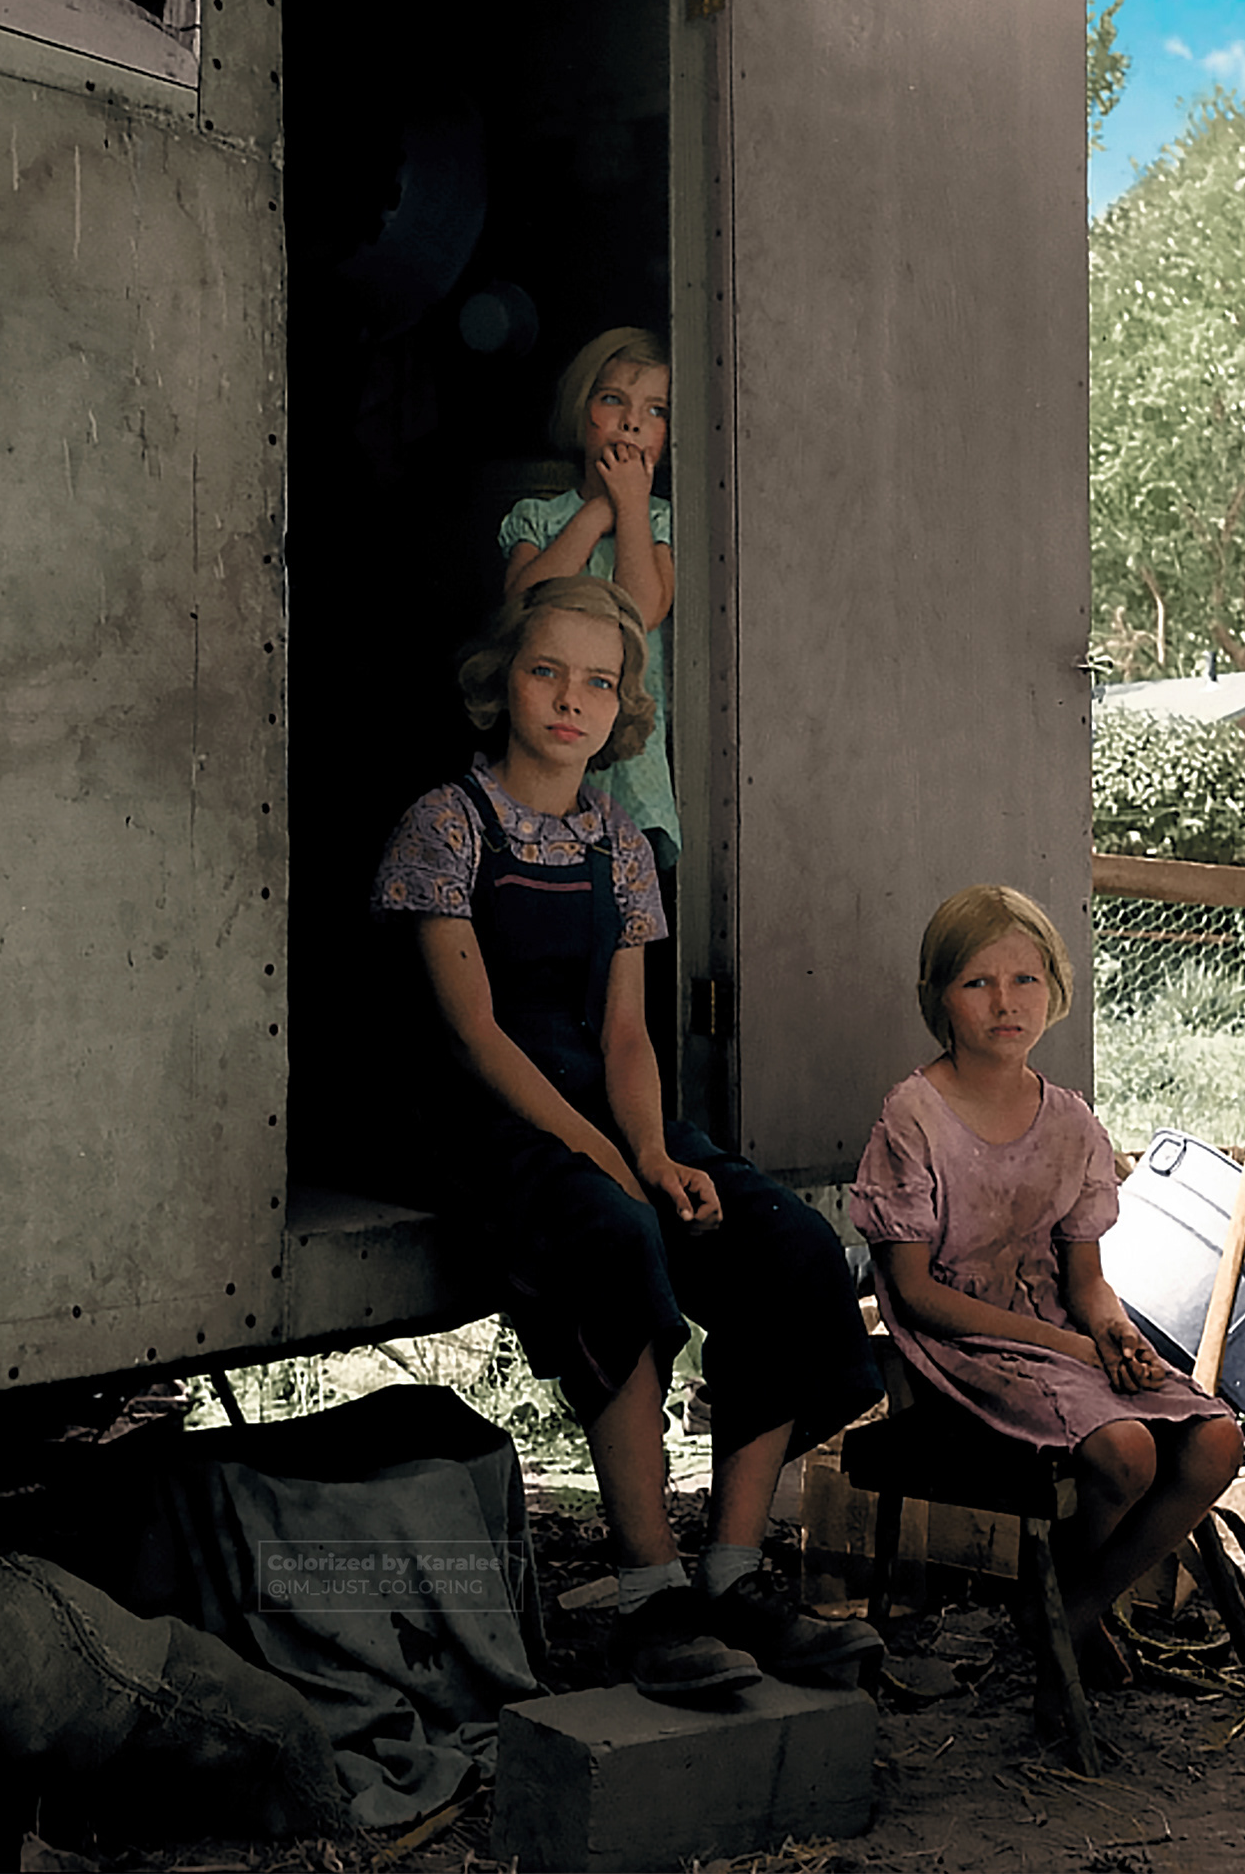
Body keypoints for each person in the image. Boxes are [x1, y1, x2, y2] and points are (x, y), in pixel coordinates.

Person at [372, 573, 881, 1701]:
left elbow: (627, 1034)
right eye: (546, 671)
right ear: (501, 681)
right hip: (483, 1116)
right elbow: (473, 1036)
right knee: (615, 1238)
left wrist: (652, 1149)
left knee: (786, 1243)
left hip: (604, 1102)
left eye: (597, 681)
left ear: (621, 708)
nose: (570, 699)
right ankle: (650, 1599)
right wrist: (610, 1165)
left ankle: (736, 1573)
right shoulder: (444, 823)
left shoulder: (620, 840)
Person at [849, 885, 1244, 1680]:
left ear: (1055, 990)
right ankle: (1068, 1613)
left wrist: (1113, 1333)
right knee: (1126, 1449)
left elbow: (1087, 1279)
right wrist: (1066, 1342)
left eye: (1025, 980)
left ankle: (1068, 1602)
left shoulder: (1070, 1120)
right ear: (939, 997)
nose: (1005, 1002)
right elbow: (916, 1293)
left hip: (1061, 1342)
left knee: (1215, 1439)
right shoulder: (914, 1116)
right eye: (978, 982)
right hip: (960, 1349)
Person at [499, 327, 679, 867]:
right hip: (548, 735)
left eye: (655, 410)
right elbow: (522, 603)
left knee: (623, 880)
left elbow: (643, 610)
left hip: (631, 756)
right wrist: (598, 508)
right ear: (582, 414)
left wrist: (629, 507)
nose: (631, 422)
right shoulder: (539, 516)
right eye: (612, 400)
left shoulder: (659, 521)